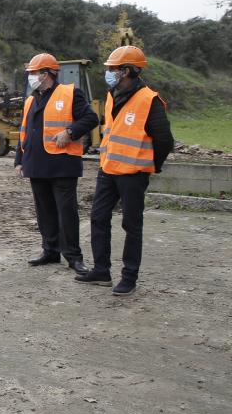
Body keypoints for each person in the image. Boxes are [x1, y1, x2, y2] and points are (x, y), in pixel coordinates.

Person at [76, 46, 173, 296]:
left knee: (132, 225)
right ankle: (101, 270)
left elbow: (164, 140)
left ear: (127, 71)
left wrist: (153, 166)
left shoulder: (149, 100)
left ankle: (129, 277)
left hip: (133, 173)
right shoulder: (111, 95)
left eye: (112, 69)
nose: (108, 72)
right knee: (98, 218)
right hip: (108, 169)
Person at [15, 53, 99, 275]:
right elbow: (24, 132)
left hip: (62, 164)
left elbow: (91, 119)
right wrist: (19, 160)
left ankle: (73, 257)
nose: (31, 77)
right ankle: (50, 250)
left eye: (34, 73)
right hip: (36, 163)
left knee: (66, 212)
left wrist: (70, 132)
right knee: (45, 211)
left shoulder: (71, 93)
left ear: (47, 74)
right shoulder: (31, 100)